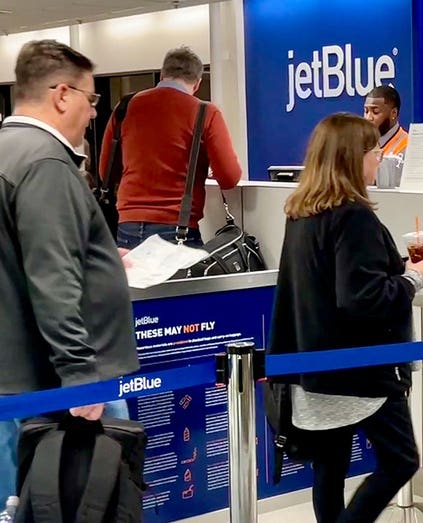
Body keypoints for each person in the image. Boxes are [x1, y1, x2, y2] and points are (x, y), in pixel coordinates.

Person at [268, 112, 423, 523]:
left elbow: (334, 284)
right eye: (374, 151)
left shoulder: (301, 213)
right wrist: (415, 278)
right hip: (359, 370)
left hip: (313, 367)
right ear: (352, 157)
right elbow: (363, 299)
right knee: (401, 459)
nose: (379, 158)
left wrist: (392, 268)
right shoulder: (353, 217)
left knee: (329, 467)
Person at [0, 39, 139, 502]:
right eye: (91, 98)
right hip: (58, 384)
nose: (94, 112)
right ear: (62, 95)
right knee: (86, 501)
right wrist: (80, 376)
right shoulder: (45, 162)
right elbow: (53, 278)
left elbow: (27, 255)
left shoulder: (9, 152)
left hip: (18, 376)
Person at [98, 46, 242, 249]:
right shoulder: (205, 112)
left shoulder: (125, 106)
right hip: (178, 226)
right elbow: (229, 177)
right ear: (197, 83)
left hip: (127, 224)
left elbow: (105, 170)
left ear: (162, 74)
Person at [363, 84, 408, 158]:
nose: (368, 118)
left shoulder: (407, 147)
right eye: (366, 111)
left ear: (393, 113)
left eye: (376, 112)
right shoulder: (361, 145)